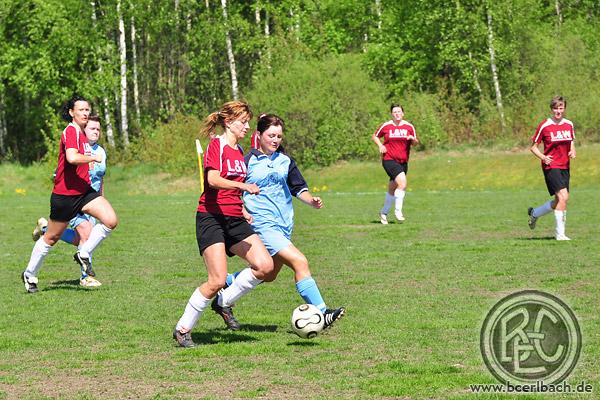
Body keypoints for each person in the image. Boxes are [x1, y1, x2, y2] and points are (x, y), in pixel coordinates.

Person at [214, 114, 345, 331]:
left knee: (269, 273)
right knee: (300, 262)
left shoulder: (285, 161)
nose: (275, 140)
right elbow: (233, 188)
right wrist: (243, 210)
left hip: (284, 225)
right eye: (271, 135)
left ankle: (226, 283)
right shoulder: (247, 161)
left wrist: (311, 201)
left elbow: (298, 188)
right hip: (262, 225)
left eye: (279, 136)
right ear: (259, 135)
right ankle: (323, 312)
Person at [172, 101, 275, 348]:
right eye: (243, 122)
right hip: (211, 218)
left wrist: (243, 208)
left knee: (265, 266)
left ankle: (224, 301)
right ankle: (183, 329)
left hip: (234, 218)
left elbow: (232, 188)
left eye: (248, 122)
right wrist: (244, 186)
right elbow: (213, 179)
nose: (247, 127)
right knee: (217, 279)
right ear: (229, 122)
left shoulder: (239, 150)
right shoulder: (216, 145)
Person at [21, 95, 118, 293]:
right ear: (71, 112)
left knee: (110, 220)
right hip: (65, 196)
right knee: (51, 238)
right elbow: (72, 158)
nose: (85, 113)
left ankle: (83, 254)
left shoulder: (82, 132)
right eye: (81, 109)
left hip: (84, 191)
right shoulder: (71, 131)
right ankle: (29, 274)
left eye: (87, 109)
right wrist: (92, 157)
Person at [31, 114, 107, 287]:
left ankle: (45, 229)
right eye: (92, 128)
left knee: (81, 239)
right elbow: (60, 173)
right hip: (74, 199)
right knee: (86, 233)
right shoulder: (75, 147)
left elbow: (100, 178)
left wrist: (101, 199)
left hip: (92, 200)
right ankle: (85, 277)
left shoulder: (101, 152)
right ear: (84, 130)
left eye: (98, 129)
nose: (96, 132)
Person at [528, 95, 576, 240]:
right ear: (551, 109)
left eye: (561, 108)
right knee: (563, 196)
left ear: (564, 109)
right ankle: (560, 235)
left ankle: (535, 213)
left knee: (559, 201)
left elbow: (571, 141)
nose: (558, 111)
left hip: (565, 166)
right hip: (551, 166)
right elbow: (533, 147)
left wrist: (572, 150)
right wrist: (543, 157)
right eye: (555, 108)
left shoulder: (569, 124)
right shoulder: (545, 125)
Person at [372, 103, 419, 224]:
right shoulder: (386, 126)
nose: (397, 114)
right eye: (394, 112)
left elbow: (415, 143)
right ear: (391, 114)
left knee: (392, 188)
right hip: (389, 159)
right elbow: (375, 136)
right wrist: (380, 145)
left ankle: (383, 212)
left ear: (403, 113)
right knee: (402, 183)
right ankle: (398, 212)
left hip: (403, 162)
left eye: (399, 111)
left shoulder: (409, 127)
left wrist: (412, 140)